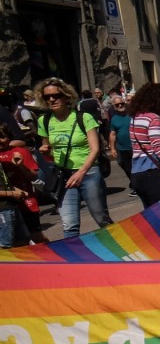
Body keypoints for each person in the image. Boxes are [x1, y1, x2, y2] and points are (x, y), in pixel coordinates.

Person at [35, 76, 112, 239]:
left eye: (56, 95)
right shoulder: (44, 120)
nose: (52, 99)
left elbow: (95, 149)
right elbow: (47, 151)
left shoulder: (83, 117)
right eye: (47, 97)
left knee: (101, 218)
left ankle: (119, 251)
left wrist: (82, 172)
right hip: (64, 177)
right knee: (69, 224)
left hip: (89, 173)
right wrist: (44, 151)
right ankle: (74, 261)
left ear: (66, 96)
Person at [107, 93, 134, 180]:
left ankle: (135, 184)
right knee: (125, 166)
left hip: (134, 147)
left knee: (136, 167)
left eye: (121, 103)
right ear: (114, 107)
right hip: (122, 148)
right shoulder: (114, 119)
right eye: (117, 105)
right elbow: (112, 134)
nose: (120, 106)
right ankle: (133, 182)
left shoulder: (132, 115)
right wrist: (112, 148)